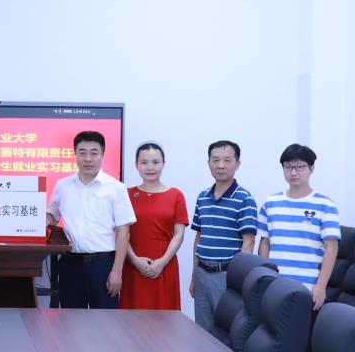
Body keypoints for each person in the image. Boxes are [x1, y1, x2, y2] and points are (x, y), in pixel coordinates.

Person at [47, 131, 136, 309]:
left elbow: (124, 232)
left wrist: (117, 271)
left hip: (102, 265)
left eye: (94, 153)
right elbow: (51, 217)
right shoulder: (62, 186)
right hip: (70, 263)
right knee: (70, 320)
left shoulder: (116, 188)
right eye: (82, 153)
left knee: (105, 321)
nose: (88, 158)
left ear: (102, 154)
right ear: (75, 154)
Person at [258, 144, 340, 311]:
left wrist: (321, 286)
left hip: (307, 287)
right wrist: (264, 278)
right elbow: (264, 243)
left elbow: (332, 248)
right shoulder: (270, 203)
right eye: (288, 167)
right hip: (274, 285)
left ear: (311, 169)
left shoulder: (325, 205)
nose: (293, 172)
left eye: (300, 166)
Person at [190, 140, 257, 331]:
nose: (220, 165)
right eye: (215, 160)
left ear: (237, 164)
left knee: (226, 332)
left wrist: (239, 282)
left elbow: (249, 242)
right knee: (202, 332)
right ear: (208, 163)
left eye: (227, 160)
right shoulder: (203, 197)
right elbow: (199, 237)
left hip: (226, 277)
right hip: (202, 274)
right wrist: (194, 275)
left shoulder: (244, 198)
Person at [120, 142, 188, 310]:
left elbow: (179, 233)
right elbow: (120, 232)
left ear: (163, 164)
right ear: (136, 165)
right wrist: (134, 259)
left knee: (164, 315)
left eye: (155, 162)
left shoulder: (176, 195)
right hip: (133, 264)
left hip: (165, 264)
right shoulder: (125, 194)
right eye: (144, 162)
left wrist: (162, 262)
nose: (150, 167)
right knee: (132, 317)